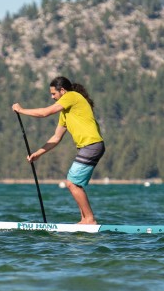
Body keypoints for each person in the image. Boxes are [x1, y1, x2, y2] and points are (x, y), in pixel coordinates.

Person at [12, 76, 106, 224]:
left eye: (53, 94)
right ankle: (84, 219)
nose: (52, 97)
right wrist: (37, 154)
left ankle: (89, 220)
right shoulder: (65, 113)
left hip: (91, 145)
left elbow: (44, 113)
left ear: (62, 91)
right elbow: (56, 138)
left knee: (72, 183)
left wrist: (21, 110)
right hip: (89, 147)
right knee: (76, 184)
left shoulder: (72, 96)